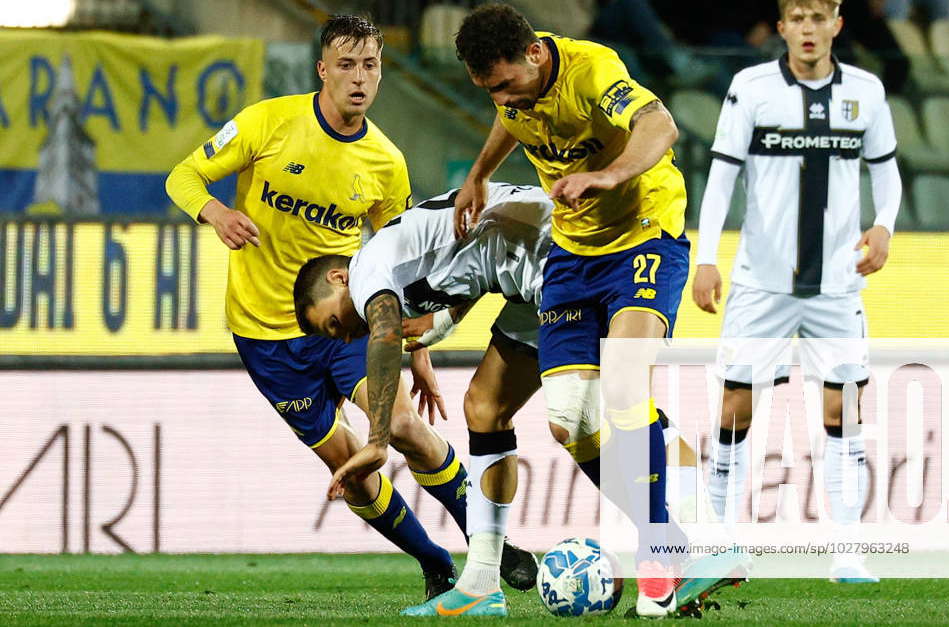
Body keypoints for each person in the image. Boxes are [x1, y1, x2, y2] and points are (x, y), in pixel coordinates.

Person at [164, 14, 532, 600]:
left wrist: (419, 357)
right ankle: (434, 562)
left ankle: (489, 544)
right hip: (264, 338)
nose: (359, 78)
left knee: (404, 426)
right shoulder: (268, 122)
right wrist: (216, 213)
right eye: (346, 65)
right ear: (322, 70)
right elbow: (183, 176)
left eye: (370, 66)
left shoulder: (386, 162)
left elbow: (407, 273)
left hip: (347, 322)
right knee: (349, 468)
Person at [296, 183, 742, 617]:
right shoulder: (395, 269)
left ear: (339, 277)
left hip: (571, 257)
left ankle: (702, 538)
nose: (346, 334)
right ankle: (482, 584)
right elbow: (469, 259)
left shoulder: (366, 269)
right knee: (491, 408)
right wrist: (445, 322)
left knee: (620, 398)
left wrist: (376, 441)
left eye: (335, 323)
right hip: (535, 281)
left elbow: (385, 331)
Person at [444, 4, 735, 618]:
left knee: (627, 384)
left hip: (645, 234)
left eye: (503, 85)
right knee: (571, 420)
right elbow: (511, 120)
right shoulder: (511, 89)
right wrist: (477, 175)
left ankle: (658, 552)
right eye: (488, 90)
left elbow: (662, 127)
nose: (501, 99)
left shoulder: (592, 70)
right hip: (573, 254)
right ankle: (693, 545)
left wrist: (609, 175)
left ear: (535, 55)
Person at [691, 0, 902, 583]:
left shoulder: (866, 93)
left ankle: (848, 552)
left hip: (837, 284)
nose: (809, 29)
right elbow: (722, 176)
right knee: (735, 408)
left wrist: (885, 222)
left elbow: (886, 171)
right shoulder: (751, 87)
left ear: (837, 24)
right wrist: (706, 257)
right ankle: (722, 544)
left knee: (844, 411)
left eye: (820, 17)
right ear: (782, 26)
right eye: (798, 17)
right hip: (761, 283)